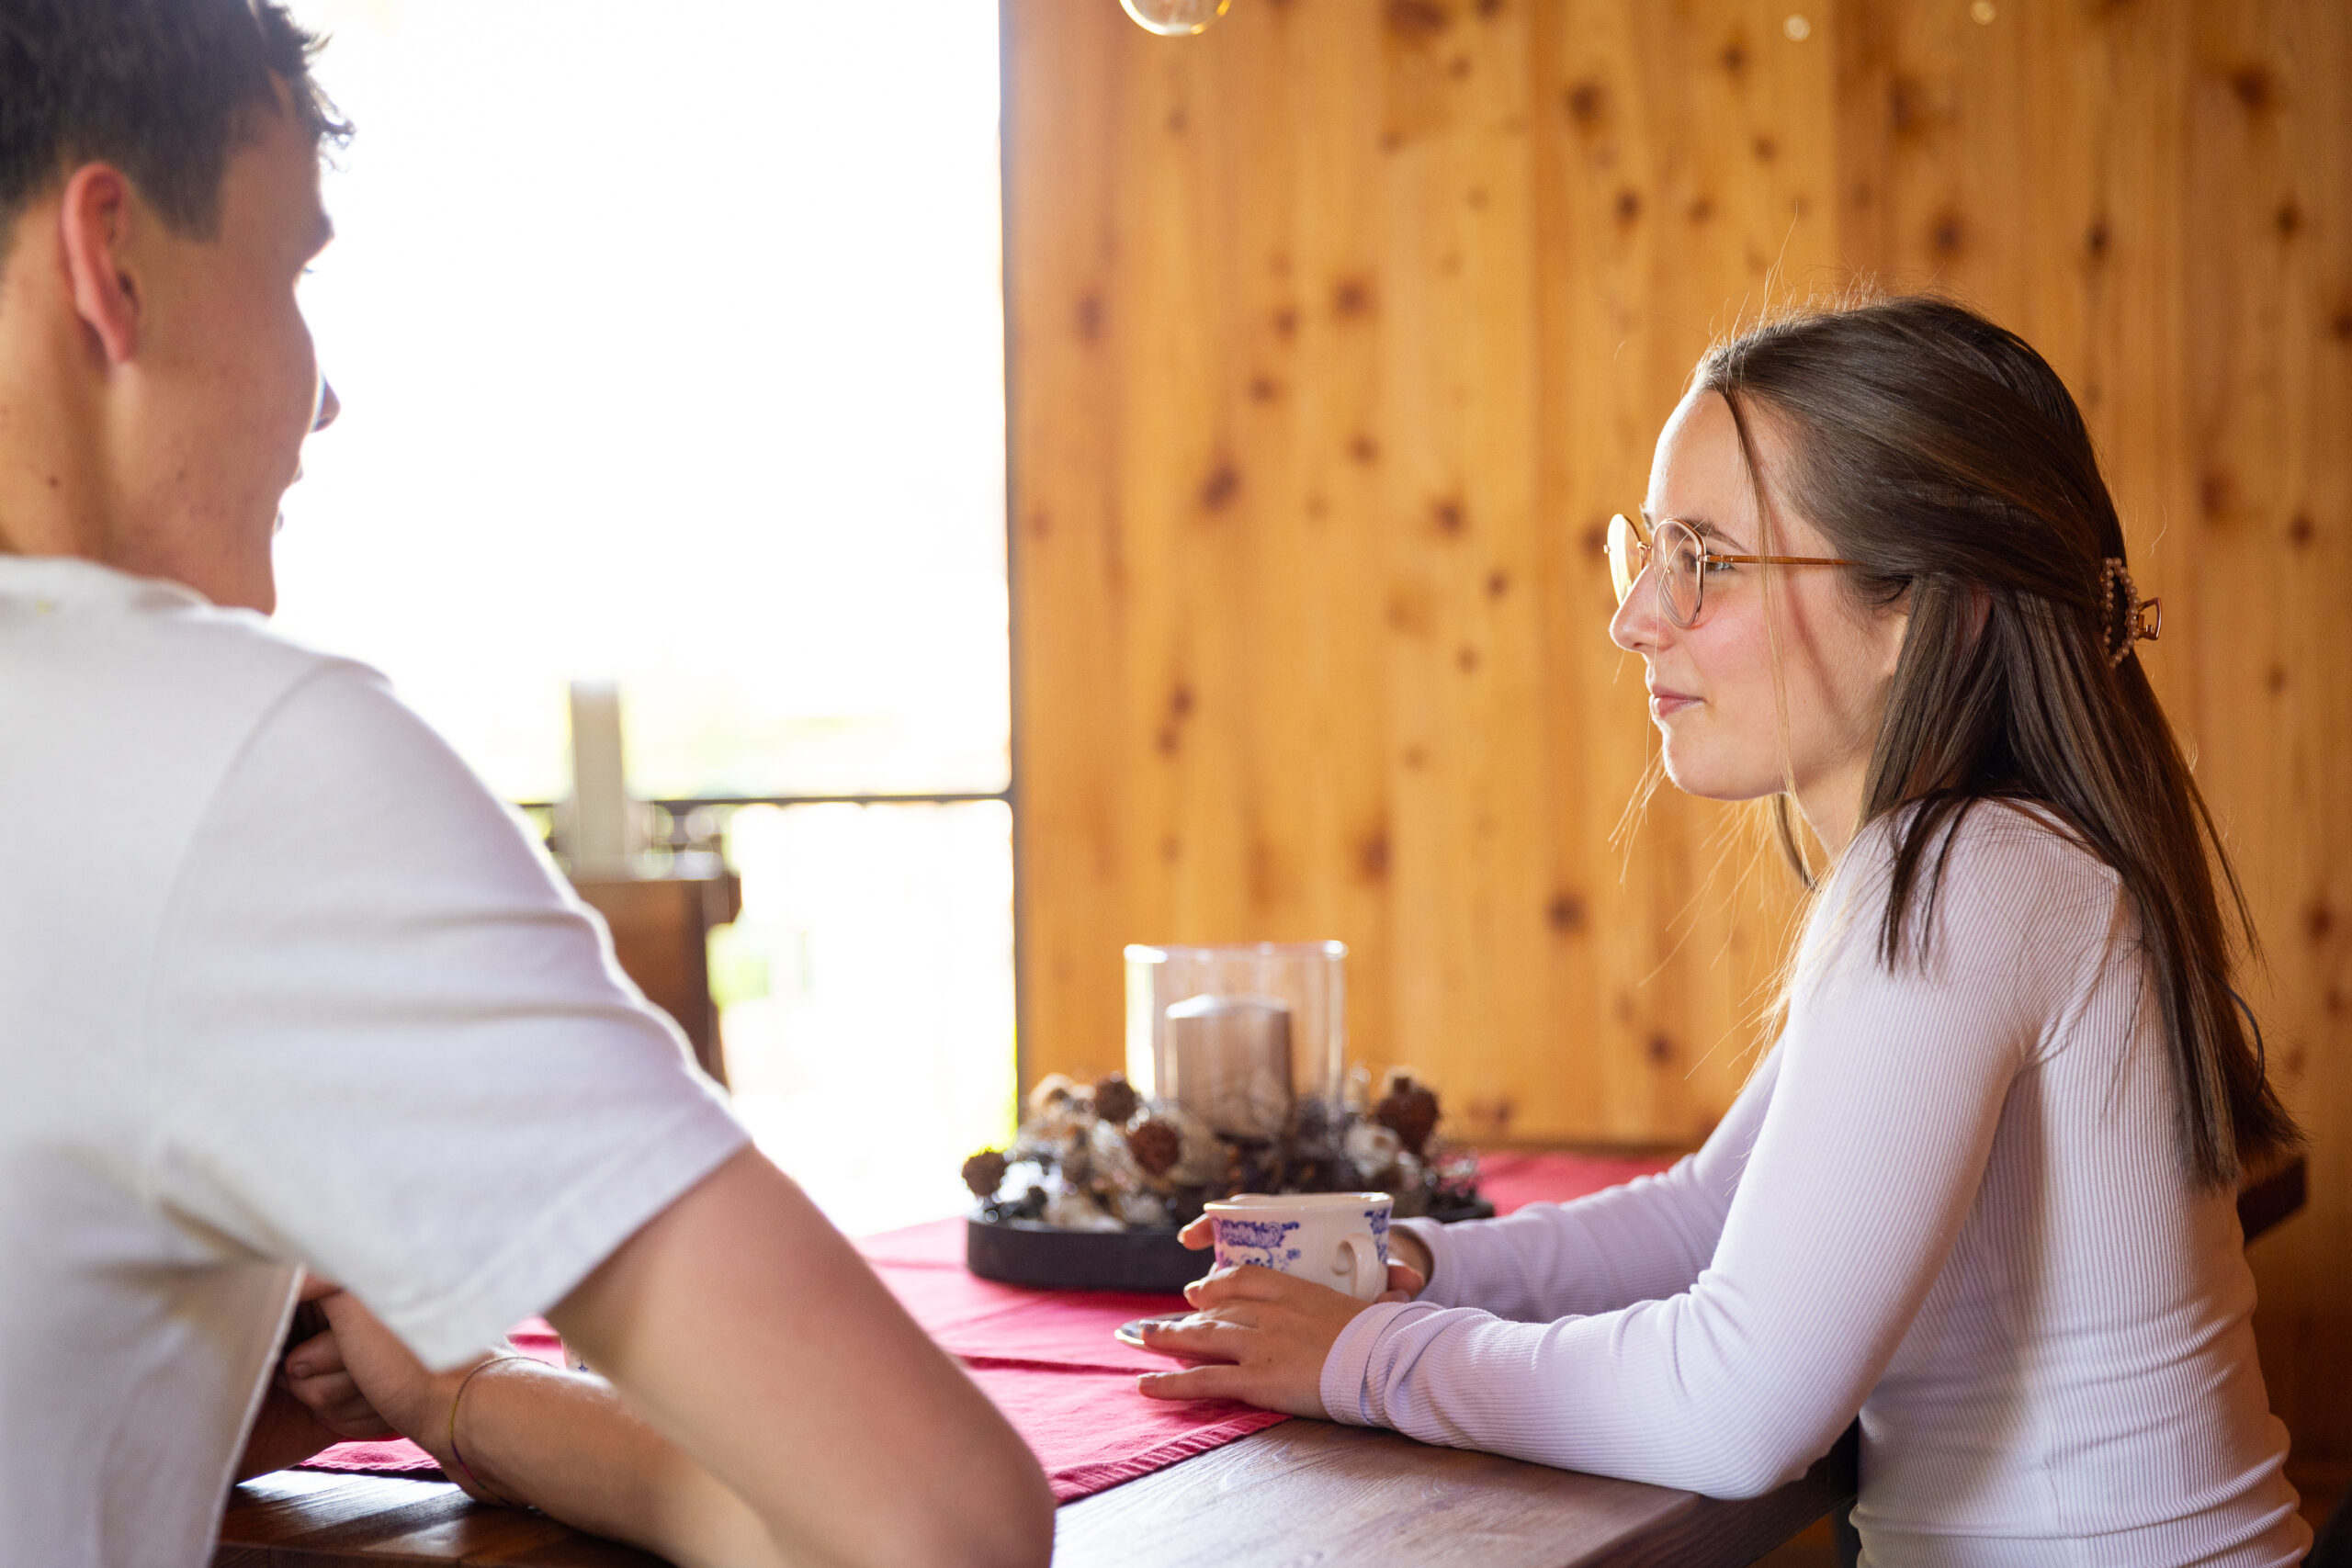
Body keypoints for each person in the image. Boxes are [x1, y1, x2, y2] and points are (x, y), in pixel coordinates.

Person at [0, 3, 1053, 1564]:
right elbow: (938, 1532)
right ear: (113, 262)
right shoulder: (241, 763)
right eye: (294, 273)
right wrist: (466, 1399)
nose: (325, 395)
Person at [1136, 296, 2311, 1566]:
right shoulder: (2007, 858)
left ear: (1927, 607)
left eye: (1708, 558)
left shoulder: (1965, 869)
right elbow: (1711, 1216)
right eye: (1649, 547)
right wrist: (1413, 1264)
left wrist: (1366, 1357)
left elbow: (1737, 1405)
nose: (1637, 614)